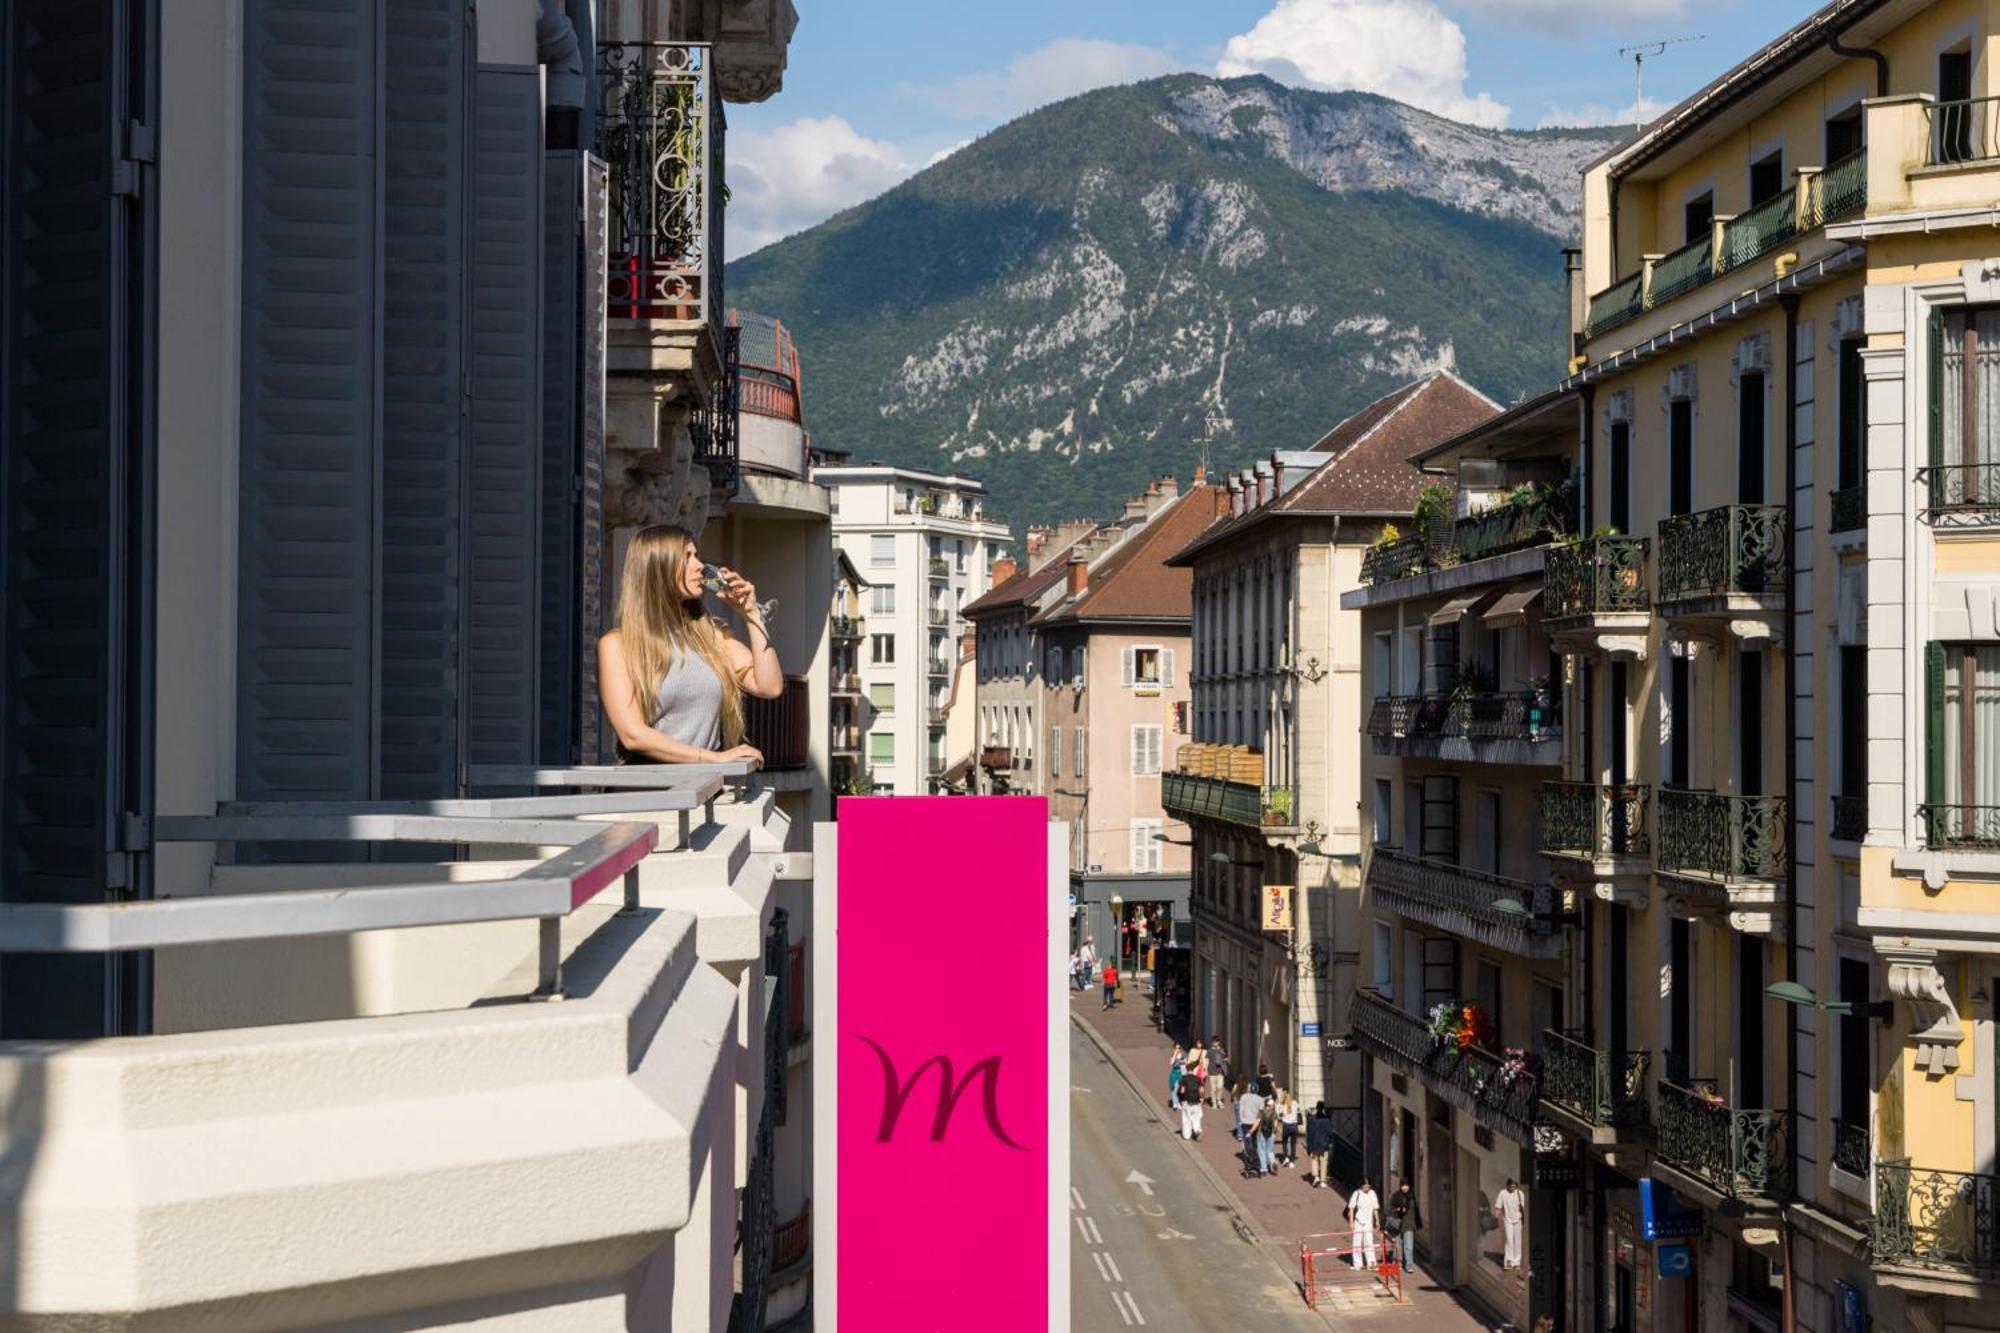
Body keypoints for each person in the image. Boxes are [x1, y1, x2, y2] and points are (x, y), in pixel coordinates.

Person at [597, 525, 780, 765]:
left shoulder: (711, 636)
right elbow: (633, 736)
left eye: (696, 555)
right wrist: (713, 759)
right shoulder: (617, 645)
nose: (699, 565)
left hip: (703, 792)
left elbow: (769, 686)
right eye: (686, 558)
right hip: (647, 791)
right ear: (658, 568)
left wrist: (752, 615)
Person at [1385, 1176, 1422, 1272]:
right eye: (1403, 1185)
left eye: (1406, 1185)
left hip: (1409, 1224)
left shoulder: (1412, 1196)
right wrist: (1399, 1209)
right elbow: (1391, 1209)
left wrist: (1417, 1223)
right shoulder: (1396, 1195)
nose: (1404, 1187)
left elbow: (1415, 1211)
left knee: (1408, 1246)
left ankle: (1409, 1265)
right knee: (1398, 1245)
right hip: (1398, 1224)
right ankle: (1398, 1263)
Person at [1346, 1177, 1381, 1270]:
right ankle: (1358, 1263)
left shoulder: (1372, 1193)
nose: (1367, 1187)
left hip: (1369, 1222)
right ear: (1361, 1186)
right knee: (1357, 1242)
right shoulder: (1356, 1194)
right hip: (1358, 1221)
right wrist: (1351, 1222)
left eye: (1368, 1185)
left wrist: (1377, 1221)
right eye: (1365, 1185)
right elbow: (1351, 1208)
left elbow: (1375, 1209)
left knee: (1369, 1242)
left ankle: (1371, 1263)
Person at [1495, 1178, 1527, 1270]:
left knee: (1518, 1241)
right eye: (1511, 1186)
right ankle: (1509, 1262)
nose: (1512, 1188)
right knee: (1509, 1240)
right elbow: (1498, 1206)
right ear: (1507, 1185)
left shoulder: (1519, 1193)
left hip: (1518, 1220)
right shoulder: (1503, 1193)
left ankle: (1517, 1262)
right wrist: (1496, 1218)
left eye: (1514, 1186)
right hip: (1507, 1220)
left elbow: (1524, 1207)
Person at [1304, 1102, 1334, 1188]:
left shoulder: (1311, 1119)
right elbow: (1329, 1133)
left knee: (1314, 1160)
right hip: (1324, 1144)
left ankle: (1316, 1176)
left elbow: (1309, 1133)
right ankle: (1323, 1181)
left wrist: (1308, 1145)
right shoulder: (1327, 1120)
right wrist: (1330, 1142)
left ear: (1316, 1108)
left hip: (1314, 1143)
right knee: (1324, 1162)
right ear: (1323, 1109)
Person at [1252, 1093, 1278, 1177]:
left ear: (1266, 1104)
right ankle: (1273, 1163)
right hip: (1271, 1134)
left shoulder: (1261, 1112)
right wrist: (1274, 1132)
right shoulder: (1274, 1113)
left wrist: (1251, 1131)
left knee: (1261, 1151)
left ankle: (1264, 1169)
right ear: (1272, 1106)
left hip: (1261, 1133)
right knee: (1270, 1151)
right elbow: (1276, 1124)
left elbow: (1257, 1122)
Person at [1177, 1067, 1205, 1141]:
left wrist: (1180, 1098)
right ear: (1193, 1071)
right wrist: (1202, 1099)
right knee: (1196, 1118)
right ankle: (1197, 1131)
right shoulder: (1198, 1079)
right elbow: (1201, 1090)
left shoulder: (1184, 1079)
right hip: (1196, 1102)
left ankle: (1186, 1135)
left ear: (1186, 1070)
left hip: (1187, 1101)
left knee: (1186, 1118)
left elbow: (1182, 1091)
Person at [1277, 1089, 1301, 1167]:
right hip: (1294, 1126)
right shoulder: (1295, 1103)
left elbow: (1278, 1115)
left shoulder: (1281, 1105)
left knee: (1284, 1142)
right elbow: (1298, 1111)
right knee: (1293, 1144)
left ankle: (1286, 1157)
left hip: (1286, 1126)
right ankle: (1292, 1161)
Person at [1234, 1079, 1261, 1149]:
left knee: (1247, 1139)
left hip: (1245, 1121)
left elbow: (1241, 1109)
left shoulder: (1244, 1096)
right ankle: (1255, 1151)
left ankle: (1249, 1154)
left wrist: (1242, 1118)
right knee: (1254, 1137)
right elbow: (1260, 1112)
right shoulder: (1260, 1099)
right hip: (1255, 1122)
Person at [1207, 1038, 1230, 1109]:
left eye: (1217, 1042)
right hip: (1212, 1072)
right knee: (1213, 1088)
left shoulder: (1222, 1050)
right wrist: (1206, 1071)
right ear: (1212, 1042)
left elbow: (1227, 1058)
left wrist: (1222, 1060)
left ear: (1219, 1042)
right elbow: (1207, 1060)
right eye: (1214, 1042)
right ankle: (1214, 1102)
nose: (1215, 1043)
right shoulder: (1210, 1051)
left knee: (1220, 1087)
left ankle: (1218, 1099)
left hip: (1220, 1072)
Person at [1167, 1045, 1185, 1110]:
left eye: (1179, 1048)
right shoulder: (1172, 1056)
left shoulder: (1182, 1056)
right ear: (1174, 1048)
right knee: (1174, 1089)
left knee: (1179, 1090)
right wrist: (1175, 1055)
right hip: (1174, 1074)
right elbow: (1172, 1064)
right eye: (1176, 1048)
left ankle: (1178, 1103)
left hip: (1180, 1074)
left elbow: (1184, 1065)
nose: (1178, 1049)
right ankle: (1175, 1104)